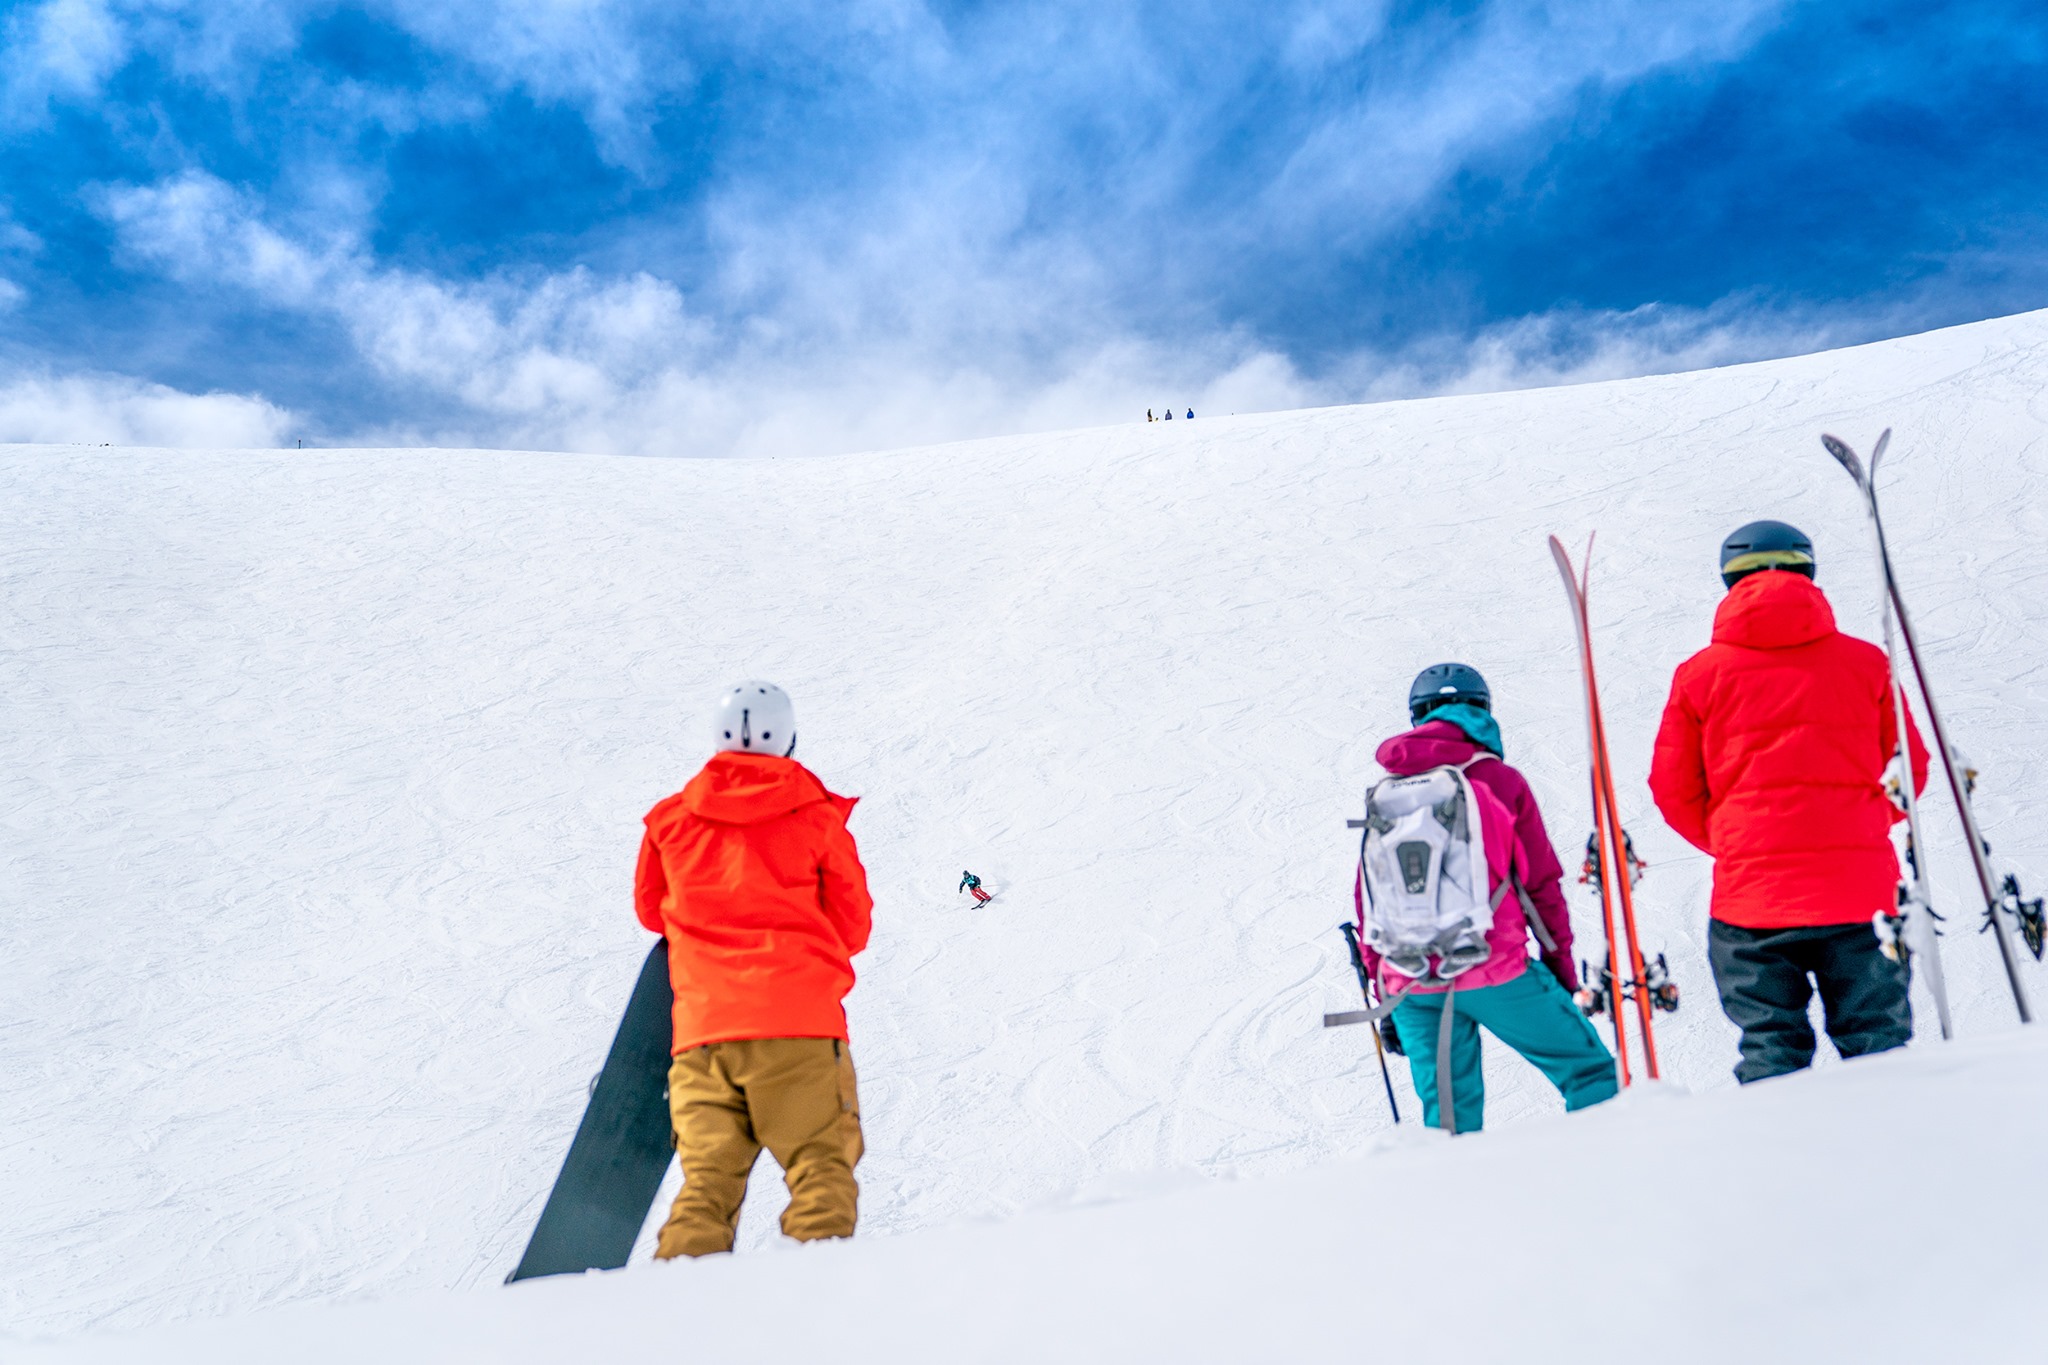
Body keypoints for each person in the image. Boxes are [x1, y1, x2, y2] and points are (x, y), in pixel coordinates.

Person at [1650, 521, 1927, 1084]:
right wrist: (1866, 825)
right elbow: (1910, 771)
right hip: (1861, 897)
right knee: (1877, 1043)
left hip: (1751, 903)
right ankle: (1899, 1160)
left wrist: (1734, 841)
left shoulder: (1699, 675)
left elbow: (1672, 788)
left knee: (1772, 1046)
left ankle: (1776, 1165)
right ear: (1808, 570)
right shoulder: (1866, 663)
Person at [634, 681, 873, 1257]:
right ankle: (813, 1307)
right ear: (787, 739)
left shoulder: (671, 820)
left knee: (708, 1185)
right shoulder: (814, 818)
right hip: (798, 1030)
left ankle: (684, 1309)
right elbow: (853, 923)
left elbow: (651, 910)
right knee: (819, 1170)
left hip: (702, 1034)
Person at [1357, 663, 1617, 1132]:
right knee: (1590, 1073)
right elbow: (1540, 886)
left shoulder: (1387, 791)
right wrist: (1559, 972)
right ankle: (1606, 1186)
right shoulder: (1499, 780)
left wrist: (1386, 996)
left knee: (1449, 1122)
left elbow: (1369, 899)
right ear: (1483, 712)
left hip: (1411, 980)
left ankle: (1460, 1203)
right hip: (1495, 969)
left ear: (1418, 716)